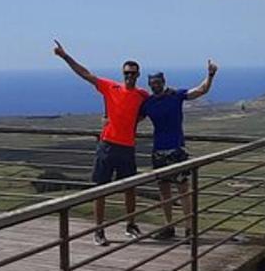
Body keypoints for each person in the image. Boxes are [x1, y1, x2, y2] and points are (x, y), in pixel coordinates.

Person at [53, 40, 149, 246]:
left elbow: (151, 109)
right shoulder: (110, 87)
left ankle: (130, 226)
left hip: (127, 147)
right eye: (127, 73)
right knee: (101, 189)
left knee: (130, 188)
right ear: (123, 74)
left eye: (133, 73)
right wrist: (65, 56)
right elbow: (85, 74)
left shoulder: (142, 95)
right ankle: (99, 230)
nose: (130, 76)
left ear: (138, 75)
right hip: (108, 145)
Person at [141, 60, 218, 239]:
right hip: (159, 151)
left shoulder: (176, 95)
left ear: (163, 81)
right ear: (149, 84)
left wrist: (211, 75)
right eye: (152, 83)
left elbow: (200, 90)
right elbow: (134, 118)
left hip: (176, 149)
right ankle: (169, 226)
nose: (155, 86)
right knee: (164, 192)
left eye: (158, 82)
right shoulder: (148, 103)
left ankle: (189, 228)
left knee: (183, 191)